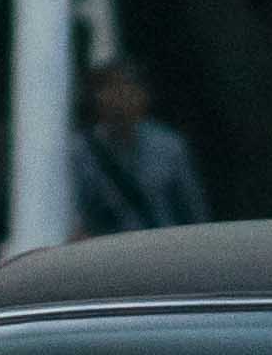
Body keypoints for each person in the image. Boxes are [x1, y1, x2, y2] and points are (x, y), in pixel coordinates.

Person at [71, 57, 210, 236]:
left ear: (143, 96)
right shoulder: (80, 152)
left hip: (163, 252)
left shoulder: (169, 147)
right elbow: (76, 215)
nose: (118, 100)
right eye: (109, 89)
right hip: (109, 255)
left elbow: (194, 212)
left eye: (126, 89)